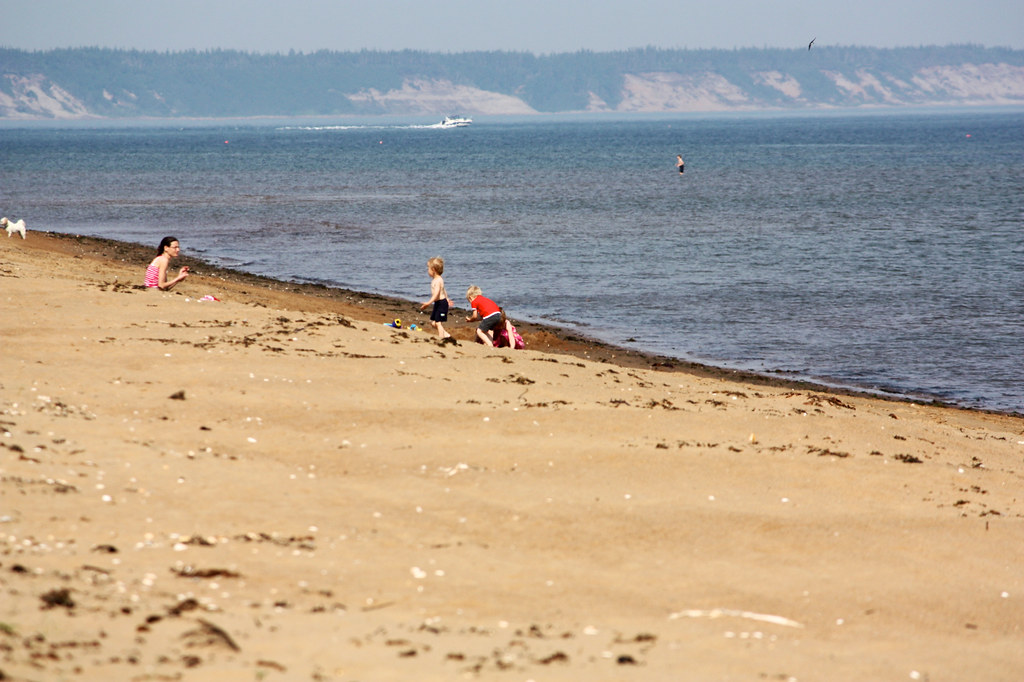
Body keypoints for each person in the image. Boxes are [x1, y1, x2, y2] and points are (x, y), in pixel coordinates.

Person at [419, 256, 453, 339]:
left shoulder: (438, 280)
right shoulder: (436, 280)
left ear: (433, 270)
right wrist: (447, 298)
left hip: (441, 303)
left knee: (438, 323)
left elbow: (436, 294)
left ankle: (441, 338)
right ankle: (447, 336)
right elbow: (444, 290)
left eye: (428, 268)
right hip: (438, 303)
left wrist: (428, 303)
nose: (427, 271)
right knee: (433, 322)